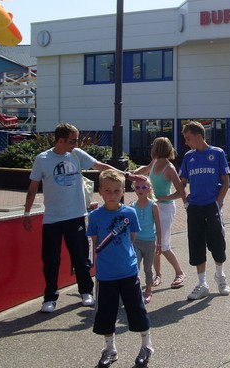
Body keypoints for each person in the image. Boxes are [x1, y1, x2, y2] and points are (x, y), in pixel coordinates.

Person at [22, 123, 144, 314]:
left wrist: (128, 175)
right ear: (60, 140)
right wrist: (27, 213)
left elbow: (100, 167)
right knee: (51, 259)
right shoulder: (42, 159)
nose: (76, 144)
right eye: (72, 140)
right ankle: (50, 297)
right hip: (52, 218)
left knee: (80, 257)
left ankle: (86, 291)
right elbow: (32, 189)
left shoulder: (77, 154)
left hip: (76, 215)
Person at [87, 170, 153, 368]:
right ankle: (110, 348)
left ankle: (146, 345)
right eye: (108, 191)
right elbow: (96, 241)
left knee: (136, 310)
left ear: (123, 191)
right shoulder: (95, 216)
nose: (112, 195)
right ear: (100, 192)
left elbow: (132, 238)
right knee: (106, 313)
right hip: (106, 275)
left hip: (128, 271)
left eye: (117, 191)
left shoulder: (129, 213)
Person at [179, 121, 230, 300]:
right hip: (195, 207)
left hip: (212, 206)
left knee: (217, 241)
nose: (186, 142)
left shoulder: (217, 153)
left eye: (188, 138)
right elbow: (182, 182)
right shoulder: (188, 157)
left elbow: (225, 182)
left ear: (199, 136)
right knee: (196, 243)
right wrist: (186, 202)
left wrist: (217, 203)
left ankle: (220, 275)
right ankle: (202, 284)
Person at [132, 137, 186, 289]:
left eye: (153, 146)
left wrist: (163, 197)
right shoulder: (155, 162)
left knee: (163, 244)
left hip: (165, 208)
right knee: (153, 243)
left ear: (156, 148)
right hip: (153, 206)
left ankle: (179, 272)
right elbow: (146, 168)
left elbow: (181, 192)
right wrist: (133, 173)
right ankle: (158, 275)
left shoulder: (169, 168)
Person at [131, 176, 162, 304]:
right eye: (137, 187)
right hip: (136, 241)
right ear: (134, 189)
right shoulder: (132, 206)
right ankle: (134, 290)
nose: (141, 190)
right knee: (134, 267)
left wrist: (159, 243)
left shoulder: (153, 205)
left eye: (144, 187)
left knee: (148, 268)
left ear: (149, 189)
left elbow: (159, 226)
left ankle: (148, 290)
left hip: (149, 242)